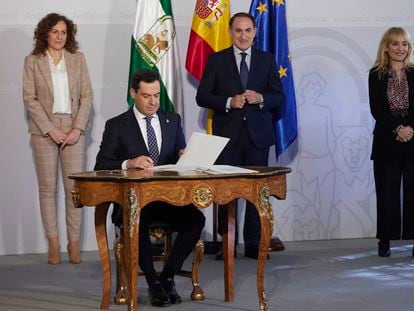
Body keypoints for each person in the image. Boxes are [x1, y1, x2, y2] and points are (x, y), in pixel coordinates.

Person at [94, 70, 205, 307]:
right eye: (146, 96)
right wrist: (128, 163)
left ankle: (166, 277)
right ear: (134, 93)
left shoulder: (172, 120)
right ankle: (154, 284)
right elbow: (101, 165)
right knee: (137, 222)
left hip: (168, 200)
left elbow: (178, 158)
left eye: (156, 95)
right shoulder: (116, 125)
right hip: (134, 202)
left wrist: (186, 157)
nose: (153, 102)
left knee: (196, 220)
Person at [196, 12, 285, 259]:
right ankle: (229, 244)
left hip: (258, 137)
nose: (243, 35)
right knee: (228, 193)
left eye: (248, 31)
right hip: (228, 138)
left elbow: (280, 97)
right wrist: (228, 101)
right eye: (238, 30)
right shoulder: (217, 60)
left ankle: (255, 243)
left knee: (257, 192)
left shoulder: (267, 60)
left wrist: (261, 98)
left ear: (254, 32)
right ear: (230, 31)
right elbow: (202, 96)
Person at [23, 13, 93, 265]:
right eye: (54, 32)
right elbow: (29, 98)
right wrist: (49, 129)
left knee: (74, 190)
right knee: (48, 189)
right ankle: (53, 242)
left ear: (68, 35)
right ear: (45, 34)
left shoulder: (78, 59)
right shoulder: (32, 61)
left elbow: (87, 96)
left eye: (63, 32)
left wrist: (77, 129)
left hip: (73, 127)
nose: (59, 37)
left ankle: (73, 242)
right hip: (45, 129)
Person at [368, 27, 414, 257]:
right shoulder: (375, 73)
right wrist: (397, 129)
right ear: (386, 47)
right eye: (395, 43)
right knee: (387, 193)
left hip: (413, 138)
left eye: (404, 44)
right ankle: (385, 240)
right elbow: (377, 109)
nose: (400, 48)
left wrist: (409, 129)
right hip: (387, 140)